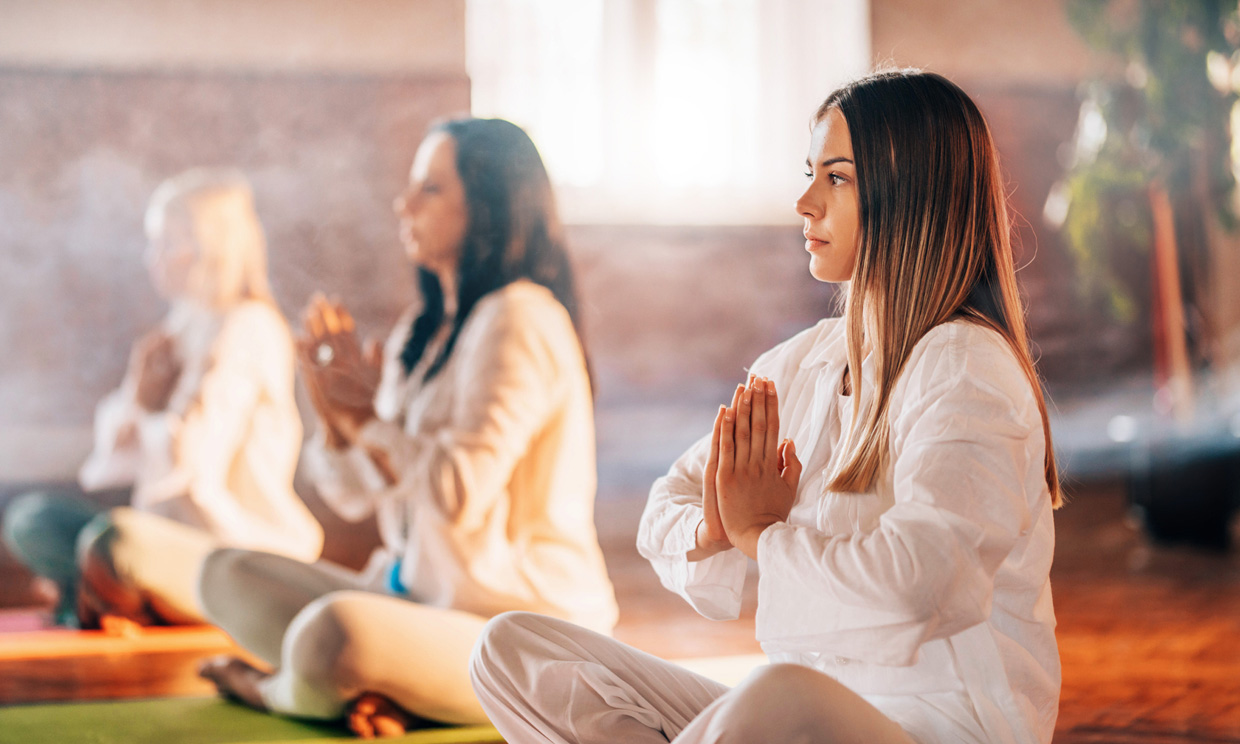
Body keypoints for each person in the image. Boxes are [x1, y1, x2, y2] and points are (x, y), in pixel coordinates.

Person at [470, 70, 1063, 744]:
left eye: (835, 178)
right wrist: (715, 529)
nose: (804, 201)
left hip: (935, 727)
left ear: (912, 195)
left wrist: (762, 537)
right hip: (802, 717)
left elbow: (918, 586)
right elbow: (670, 500)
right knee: (513, 649)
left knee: (778, 696)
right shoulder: (804, 362)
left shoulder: (965, 366)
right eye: (810, 173)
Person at [197, 118, 618, 738]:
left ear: (490, 206)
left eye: (430, 189)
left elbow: (458, 489)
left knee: (331, 633)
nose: (405, 204)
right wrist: (340, 424)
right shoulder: (427, 329)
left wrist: (372, 420)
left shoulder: (521, 318)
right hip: (419, 604)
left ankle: (278, 689)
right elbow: (352, 496)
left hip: (518, 632)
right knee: (224, 574)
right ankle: (389, 687)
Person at [1, 168, 323, 628]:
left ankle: (106, 592)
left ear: (210, 247)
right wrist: (138, 396)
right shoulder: (185, 323)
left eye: (166, 243)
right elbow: (108, 464)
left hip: (232, 551)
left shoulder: (248, 327)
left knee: (117, 542)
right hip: (167, 540)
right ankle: (114, 593)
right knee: (34, 519)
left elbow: (192, 463)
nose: (151, 257)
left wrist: (149, 410)